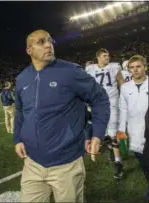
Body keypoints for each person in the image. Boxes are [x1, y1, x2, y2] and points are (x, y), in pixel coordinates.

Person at [14, 30, 110, 202]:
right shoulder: (22, 79)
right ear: (29, 50)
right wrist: (17, 139)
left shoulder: (70, 71)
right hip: (32, 163)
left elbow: (100, 98)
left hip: (67, 163)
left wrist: (97, 133)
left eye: (50, 41)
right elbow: (20, 112)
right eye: (41, 42)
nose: (48, 45)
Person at [85, 48, 125, 180]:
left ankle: (118, 162)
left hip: (113, 103)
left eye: (108, 55)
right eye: (104, 56)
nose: (107, 57)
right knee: (104, 132)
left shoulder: (114, 67)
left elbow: (121, 83)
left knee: (114, 134)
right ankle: (113, 150)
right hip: (98, 104)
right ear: (98, 58)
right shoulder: (90, 69)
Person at [118, 55, 149, 201]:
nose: (135, 70)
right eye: (132, 67)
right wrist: (121, 130)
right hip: (135, 132)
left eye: (138, 66)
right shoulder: (125, 88)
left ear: (145, 67)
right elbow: (122, 109)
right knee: (144, 164)